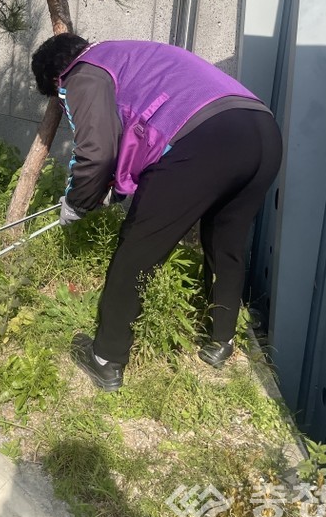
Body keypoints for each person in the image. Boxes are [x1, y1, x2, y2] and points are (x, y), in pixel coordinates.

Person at [30, 34, 282, 392]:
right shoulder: (127, 54)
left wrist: (77, 202)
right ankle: (221, 340)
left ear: (57, 77)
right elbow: (133, 135)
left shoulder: (82, 73)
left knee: (137, 249)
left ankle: (106, 358)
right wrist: (110, 189)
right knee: (227, 241)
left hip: (205, 137)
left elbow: (97, 152)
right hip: (261, 129)